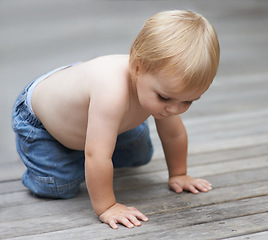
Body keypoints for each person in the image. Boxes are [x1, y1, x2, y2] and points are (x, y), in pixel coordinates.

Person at [12, 10, 220, 229]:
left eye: (188, 102)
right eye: (165, 97)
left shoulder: (160, 88)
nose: (175, 109)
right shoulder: (111, 91)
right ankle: (36, 161)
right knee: (60, 186)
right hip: (43, 124)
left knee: (140, 153)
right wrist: (107, 206)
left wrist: (179, 174)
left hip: (88, 116)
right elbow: (97, 155)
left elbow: (174, 133)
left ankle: (91, 150)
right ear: (137, 68)